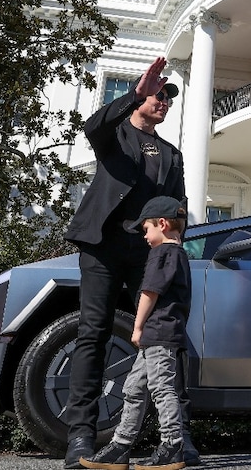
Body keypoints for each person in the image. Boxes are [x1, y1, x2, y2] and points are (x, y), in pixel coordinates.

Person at [63, 56, 199, 468]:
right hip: (103, 247)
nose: (164, 100)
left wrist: (174, 249)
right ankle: (81, 438)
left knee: (167, 338)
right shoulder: (114, 134)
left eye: (168, 97)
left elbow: (178, 209)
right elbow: (92, 126)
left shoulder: (171, 156)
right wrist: (135, 93)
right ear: (141, 96)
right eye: (158, 94)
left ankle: (176, 440)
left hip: (150, 255)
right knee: (93, 334)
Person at [80, 195, 192, 470]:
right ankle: (120, 447)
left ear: (163, 224)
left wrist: (138, 325)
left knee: (161, 387)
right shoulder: (180, 256)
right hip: (160, 335)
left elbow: (149, 292)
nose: (145, 237)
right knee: (133, 388)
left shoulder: (162, 254)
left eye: (146, 230)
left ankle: (173, 446)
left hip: (158, 333)